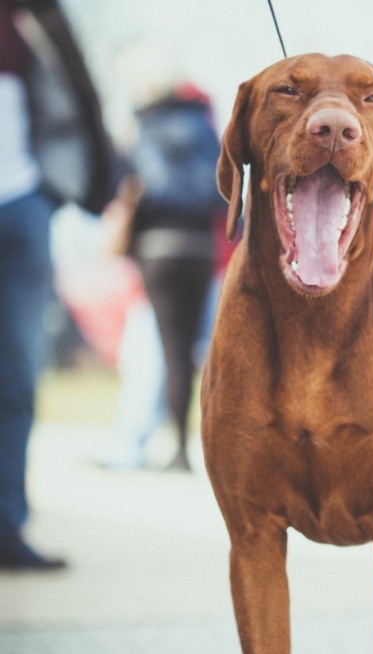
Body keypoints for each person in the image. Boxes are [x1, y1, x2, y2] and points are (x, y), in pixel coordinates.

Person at [0, 0, 112, 570]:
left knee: (16, 375)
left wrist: (91, 181)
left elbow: (78, 82)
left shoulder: (33, 14)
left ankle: (6, 527)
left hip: (22, 206)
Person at [125, 81, 223, 472]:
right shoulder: (205, 128)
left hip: (160, 247)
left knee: (169, 348)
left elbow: (146, 185)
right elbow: (223, 192)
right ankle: (182, 449)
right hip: (201, 248)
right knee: (188, 354)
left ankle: (171, 446)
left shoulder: (146, 127)